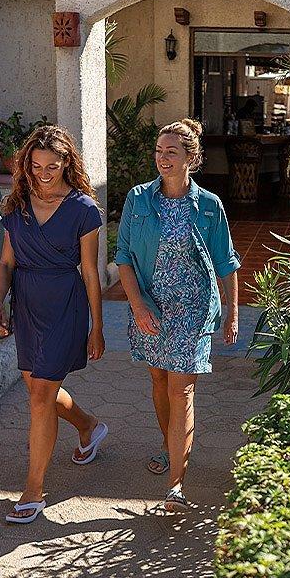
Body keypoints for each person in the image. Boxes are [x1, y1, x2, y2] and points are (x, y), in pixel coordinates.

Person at [115, 118, 241, 512]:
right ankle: (170, 447)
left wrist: (233, 311)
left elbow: (226, 261)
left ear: (191, 157)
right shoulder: (139, 199)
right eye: (158, 151)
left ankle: (176, 486)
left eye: (171, 152)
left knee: (181, 389)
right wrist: (136, 305)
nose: (162, 158)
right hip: (149, 306)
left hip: (192, 307)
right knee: (158, 381)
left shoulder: (208, 206)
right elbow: (123, 258)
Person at [0, 125, 108, 524]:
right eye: (36, 165)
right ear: (26, 164)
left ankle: (33, 490)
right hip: (27, 306)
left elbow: (91, 273)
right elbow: (6, 263)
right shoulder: (15, 207)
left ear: (66, 164)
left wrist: (97, 326)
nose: (43, 173)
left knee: (40, 396)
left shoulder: (83, 209)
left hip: (65, 304)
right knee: (38, 387)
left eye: (52, 166)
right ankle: (89, 425)